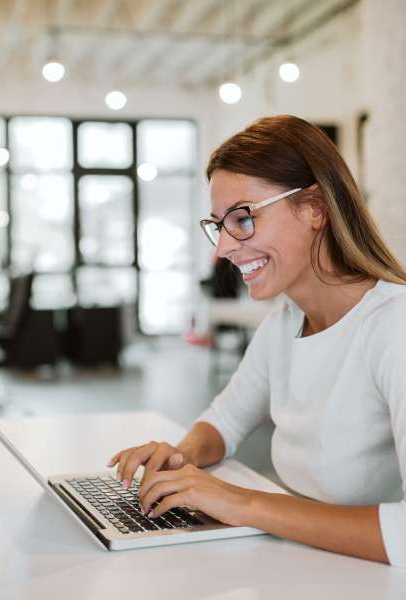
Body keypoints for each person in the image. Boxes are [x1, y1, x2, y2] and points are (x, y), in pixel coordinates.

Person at [109, 115, 406, 567]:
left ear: (315, 208)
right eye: (218, 225)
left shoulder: (394, 326)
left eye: (243, 219)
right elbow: (224, 421)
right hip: (316, 566)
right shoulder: (285, 322)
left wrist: (242, 503)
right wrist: (181, 457)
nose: (223, 248)